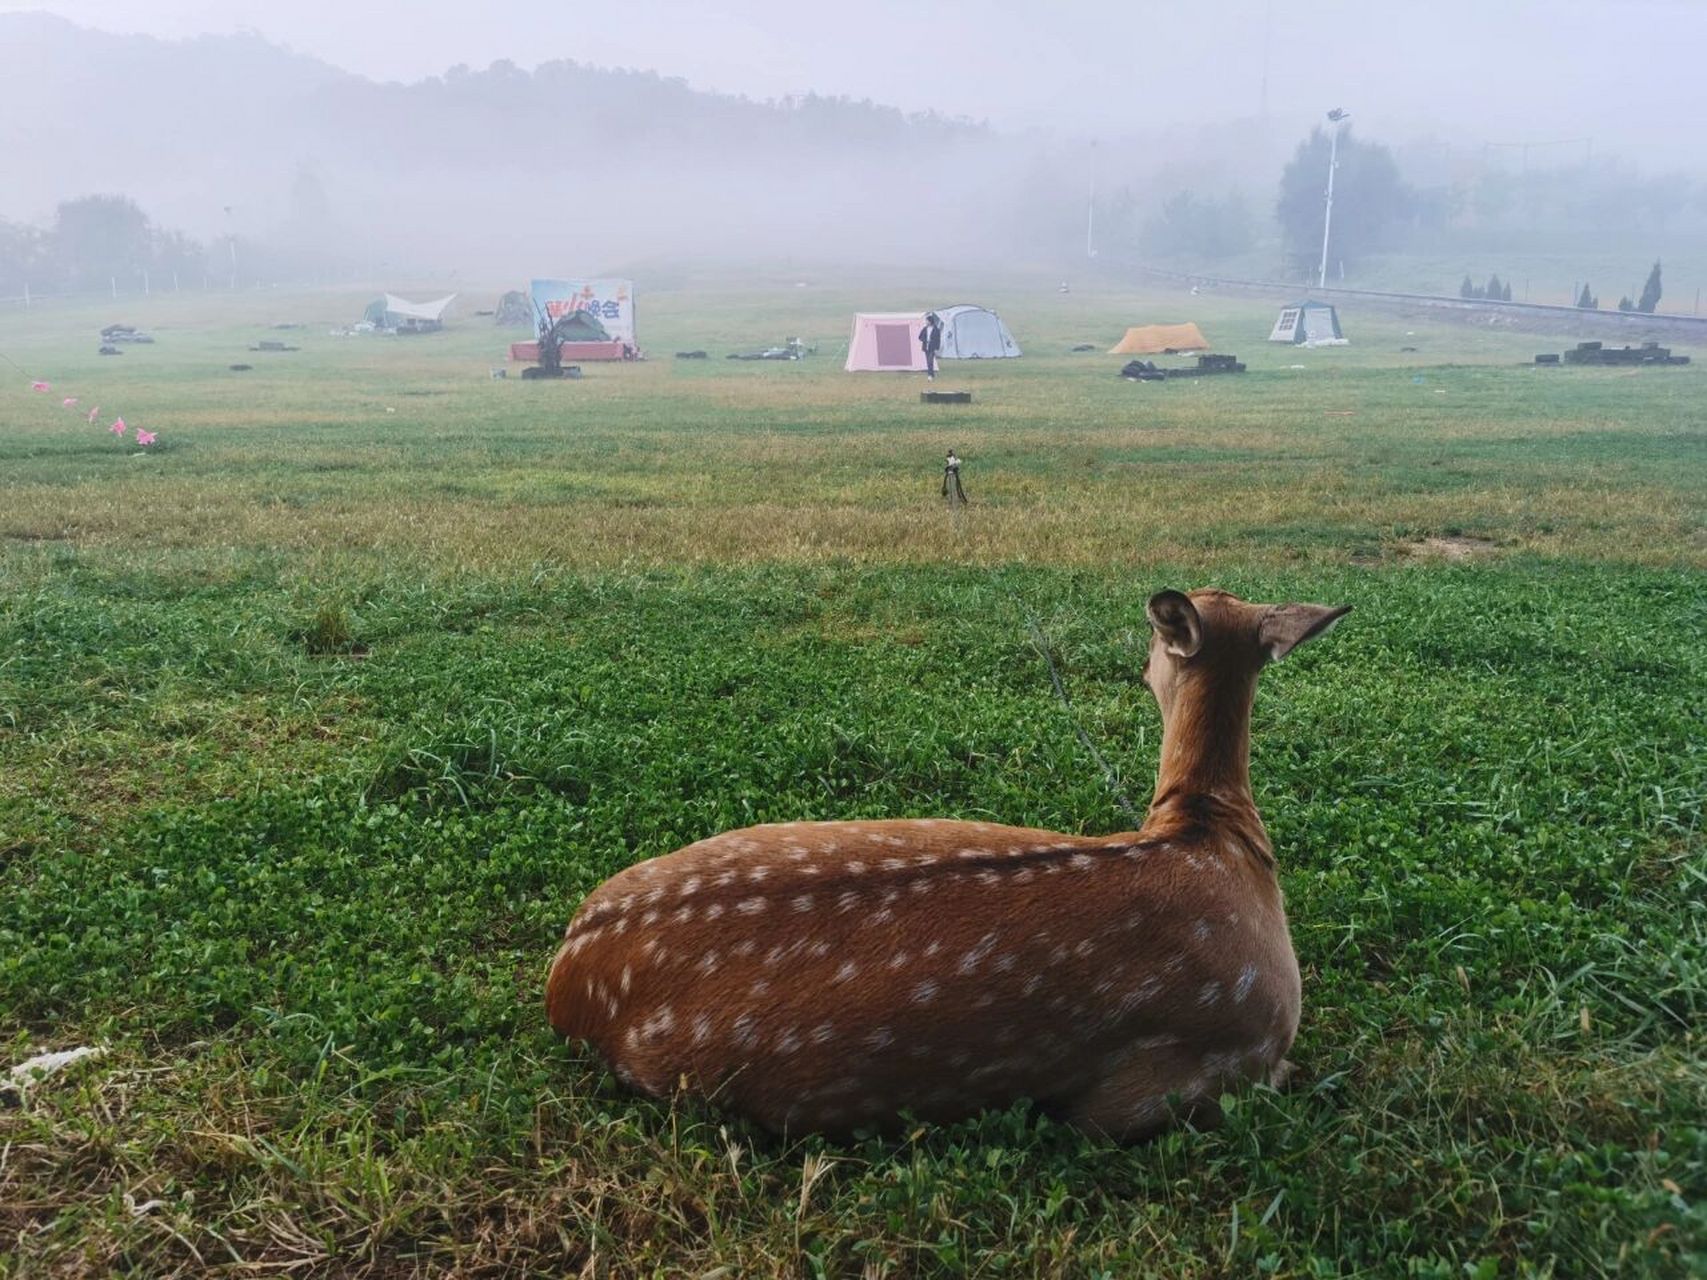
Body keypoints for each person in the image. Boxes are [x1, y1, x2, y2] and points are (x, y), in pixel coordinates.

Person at [919, 312, 943, 380]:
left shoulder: (936, 329)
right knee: (928, 362)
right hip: (926, 347)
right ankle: (931, 374)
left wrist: (937, 347)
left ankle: (930, 375)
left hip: (932, 347)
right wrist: (925, 340)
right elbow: (920, 337)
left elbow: (938, 339)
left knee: (930, 361)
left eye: (927, 321)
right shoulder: (925, 329)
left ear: (930, 321)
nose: (926, 322)